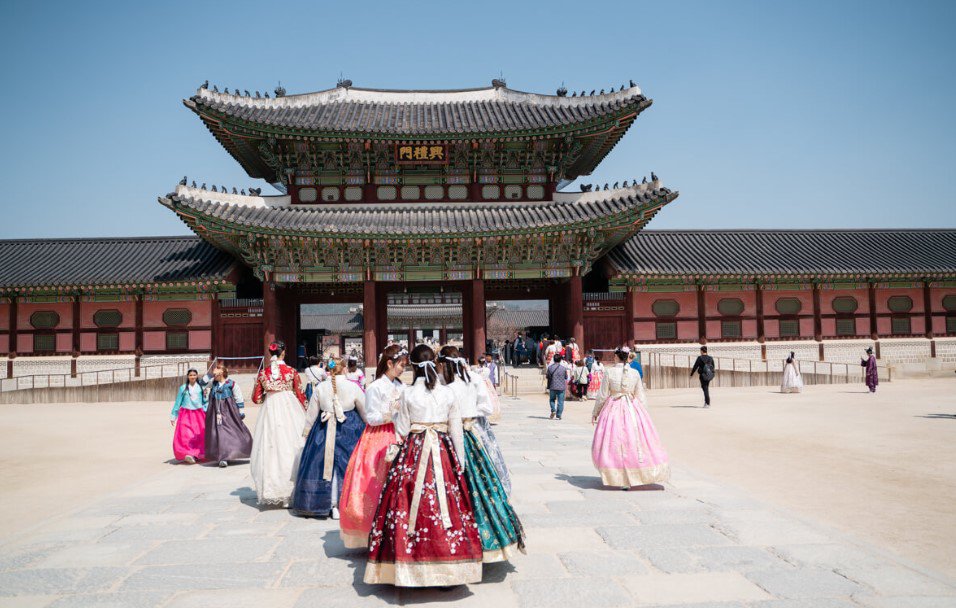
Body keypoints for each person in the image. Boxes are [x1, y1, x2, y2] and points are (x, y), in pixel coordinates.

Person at [364, 344, 483, 587]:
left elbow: (401, 429)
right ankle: (448, 564)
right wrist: (458, 462)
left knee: (408, 504)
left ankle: (409, 563)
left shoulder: (407, 393)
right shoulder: (448, 393)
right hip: (442, 450)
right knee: (445, 505)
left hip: (414, 451)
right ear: (436, 365)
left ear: (414, 368)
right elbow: (456, 431)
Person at [438, 346, 525, 562]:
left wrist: (466, 415)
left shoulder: (460, 382)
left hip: (462, 433)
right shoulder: (461, 381)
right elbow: (485, 407)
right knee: (480, 485)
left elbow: (485, 407)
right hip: (467, 433)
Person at [339, 345, 407, 548]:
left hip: (399, 433)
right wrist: (392, 414)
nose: (404, 369)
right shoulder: (375, 387)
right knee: (375, 482)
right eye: (401, 365)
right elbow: (370, 417)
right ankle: (374, 529)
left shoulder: (402, 386)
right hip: (379, 437)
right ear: (389, 363)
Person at [292, 357, 366, 519]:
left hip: (322, 429)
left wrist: (306, 432)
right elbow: (364, 409)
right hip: (349, 429)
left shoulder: (320, 387)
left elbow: (312, 412)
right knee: (348, 465)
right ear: (344, 368)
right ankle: (344, 502)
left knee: (323, 466)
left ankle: (327, 503)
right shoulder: (353, 387)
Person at [592, 347, 670, 489]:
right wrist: (644, 416)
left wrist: (596, 412)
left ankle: (618, 476)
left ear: (616, 357)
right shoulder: (634, 373)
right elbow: (640, 395)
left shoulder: (609, 372)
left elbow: (602, 395)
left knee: (615, 442)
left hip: (613, 408)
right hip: (632, 410)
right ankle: (633, 475)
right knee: (633, 442)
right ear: (627, 357)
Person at [250, 340, 307, 507]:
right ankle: (291, 490)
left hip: (271, 409)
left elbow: (256, 398)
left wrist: (270, 395)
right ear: (284, 353)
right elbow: (300, 395)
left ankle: (272, 489)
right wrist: (305, 410)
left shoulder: (263, 373)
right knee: (291, 445)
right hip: (290, 409)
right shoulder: (291, 371)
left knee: (270, 447)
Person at [201, 362, 253, 468]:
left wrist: (241, 411)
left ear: (222, 374)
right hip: (215, 410)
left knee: (233, 429)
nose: (215, 375)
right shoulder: (212, 383)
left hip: (229, 410)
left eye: (216, 373)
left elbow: (238, 397)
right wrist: (210, 374)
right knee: (217, 432)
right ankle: (222, 457)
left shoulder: (232, 384)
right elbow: (201, 383)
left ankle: (238, 450)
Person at [170, 368, 207, 464]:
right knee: (186, 434)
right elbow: (178, 402)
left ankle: (196, 454)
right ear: (188, 376)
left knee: (198, 434)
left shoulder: (201, 388)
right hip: (186, 414)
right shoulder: (183, 388)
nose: (192, 377)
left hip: (199, 414)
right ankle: (187, 454)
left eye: (194, 375)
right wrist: (174, 415)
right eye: (190, 375)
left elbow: (204, 402)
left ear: (197, 376)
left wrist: (207, 412)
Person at [546, 353, 569, 420]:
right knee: (560, 401)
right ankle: (559, 415)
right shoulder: (564, 368)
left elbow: (547, 376)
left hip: (552, 386)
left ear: (553, 359)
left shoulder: (550, 368)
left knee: (552, 399)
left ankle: (553, 410)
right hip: (561, 387)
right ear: (560, 360)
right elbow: (566, 377)